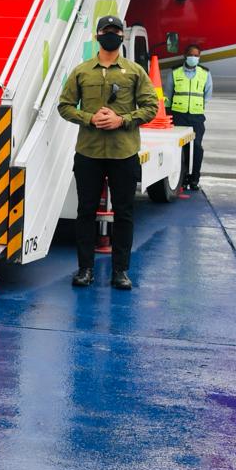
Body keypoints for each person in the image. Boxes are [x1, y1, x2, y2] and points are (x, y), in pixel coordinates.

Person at [58, 16, 158, 291]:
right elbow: (64, 106)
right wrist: (89, 118)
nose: (111, 35)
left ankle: (120, 271)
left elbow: (151, 107)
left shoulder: (135, 71)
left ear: (122, 36)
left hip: (123, 153)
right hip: (88, 153)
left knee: (124, 213)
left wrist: (122, 120)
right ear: (98, 35)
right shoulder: (82, 72)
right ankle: (85, 269)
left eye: (116, 31)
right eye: (106, 31)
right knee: (85, 212)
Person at [164, 44, 212, 191]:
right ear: (185, 55)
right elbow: (168, 94)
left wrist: (197, 107)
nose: (194, 58)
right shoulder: (175, 72)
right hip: (179, 115)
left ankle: (194, 179)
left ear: (199, 57)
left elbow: (207, 95)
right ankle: (182, 178)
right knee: (181, 149)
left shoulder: (205, 73)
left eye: (197, 55)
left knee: (197, 148)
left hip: (196, 117)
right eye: (191, 55)